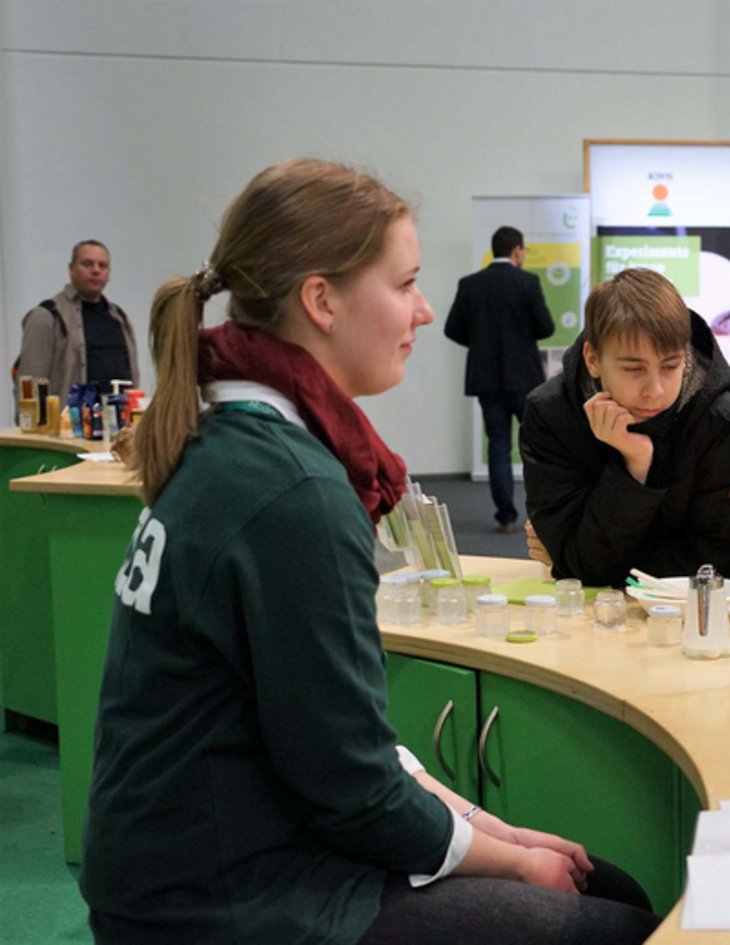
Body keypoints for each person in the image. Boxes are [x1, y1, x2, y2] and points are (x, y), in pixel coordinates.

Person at [80, 159, 659, 944]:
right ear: (321, 300)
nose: (423, 310)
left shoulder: (228, 440)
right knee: (617, 923)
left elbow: (330, 735)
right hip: (226, 897)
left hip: (194, 858)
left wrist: (492, 828)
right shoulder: (295, 490)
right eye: (405, 283)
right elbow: (350, 786)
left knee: (608, 887)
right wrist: (510, 859)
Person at [521, 266, 730, 586]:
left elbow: (717, 559)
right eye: (634, 369)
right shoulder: (551, 414)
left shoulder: (722, 418)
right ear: (593, 359)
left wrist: (603, 565)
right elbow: (581, 565)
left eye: (671, 366)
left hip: (692, 618)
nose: (655, 390)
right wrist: (634, 468)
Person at [444, 226, 555, 534]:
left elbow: (452, 329)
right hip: (525, 378)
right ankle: (545, 512)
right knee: (537, 446)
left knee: (498, 444)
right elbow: (546, 328)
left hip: (487, 378)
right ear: (517, 251)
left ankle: (506, 516)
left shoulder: (470, 284)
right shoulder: (527, 283)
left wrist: (480, 343)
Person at [15, 239, 140, 397]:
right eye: (87, 264)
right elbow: (29, 384)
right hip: (68, 419)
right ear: (71, 269)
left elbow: (133, 375)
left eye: (102, 265)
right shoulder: (47, 316)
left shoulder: (120, 318)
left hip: (119, 418)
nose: (96, 270)